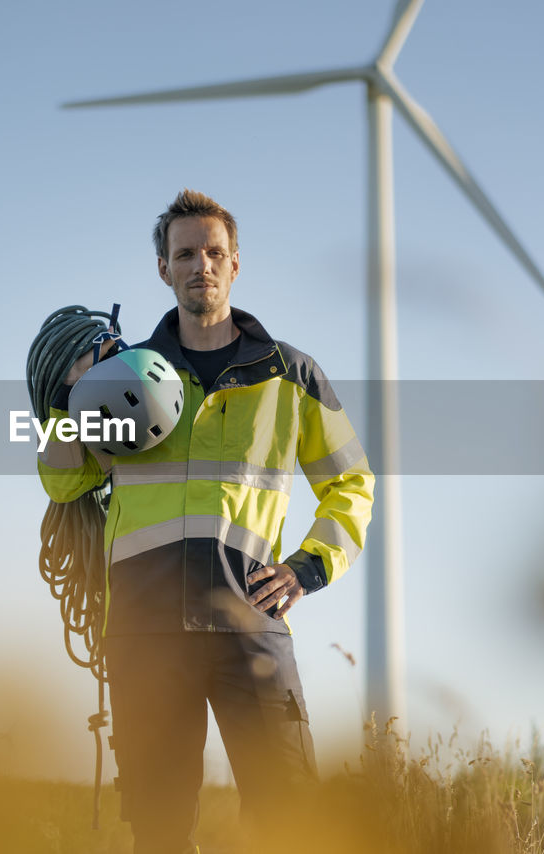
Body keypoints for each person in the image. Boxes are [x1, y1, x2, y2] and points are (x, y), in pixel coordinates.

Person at [37, 189, 374, 854]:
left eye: (214, 252)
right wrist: (82, 395)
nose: (201, 266)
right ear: (162, 268)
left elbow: (350, 481)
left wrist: (310, 566)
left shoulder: (290, 375)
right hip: (145, 630)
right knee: (159, 831)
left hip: (249, 622)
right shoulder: (127, 375)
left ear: (236, 263)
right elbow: (62, 477)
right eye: (185, 253)